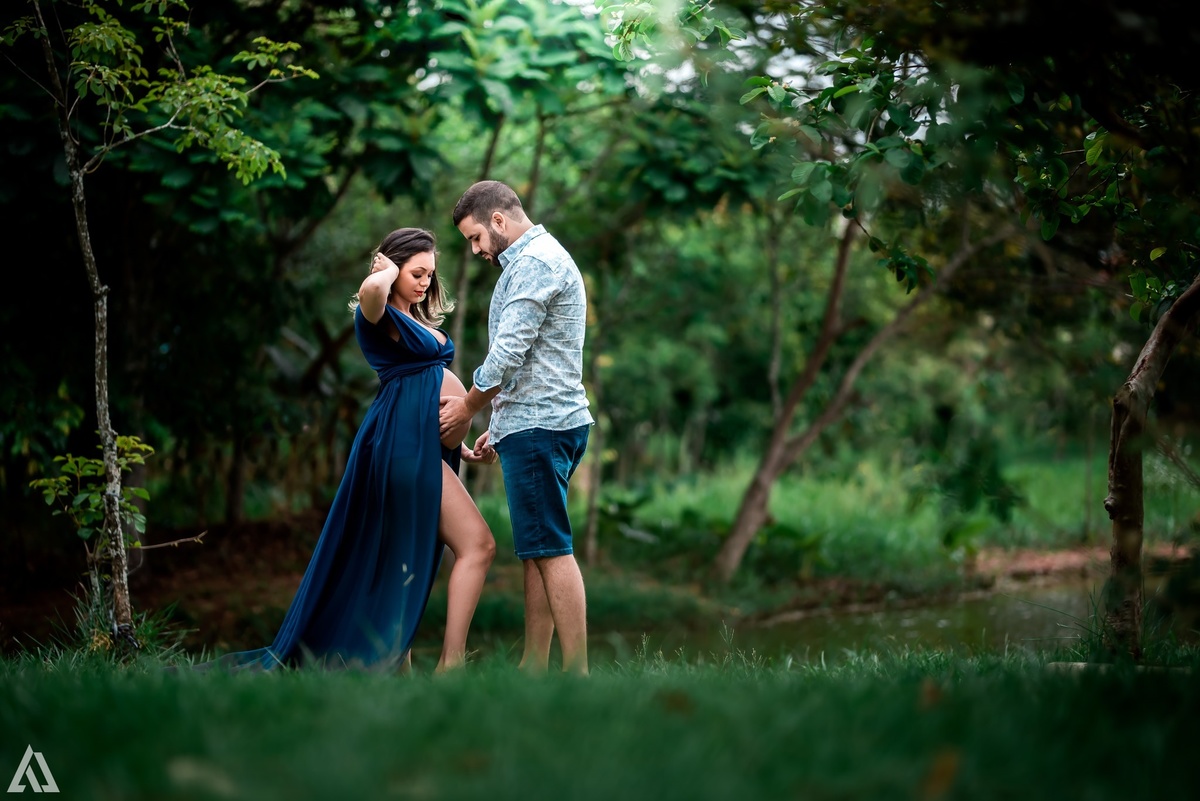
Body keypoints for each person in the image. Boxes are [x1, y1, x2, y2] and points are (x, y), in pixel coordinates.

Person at [200, 227, 496, 672]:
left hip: (417, 444)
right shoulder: (376, 316)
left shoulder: (414, 321)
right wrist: (386, 269)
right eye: (416, 273)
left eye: (430, 276)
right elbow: (371, 291)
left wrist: (465, 445)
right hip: (402, 444)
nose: (424, 283)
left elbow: (430, 391)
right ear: (393, 268)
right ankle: (451, 666)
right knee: (478, 544)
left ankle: (400, 668)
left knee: (405, 558)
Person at [438, 181, 595, 675]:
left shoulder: (534, 264)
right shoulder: (539, 259)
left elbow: (508, 354)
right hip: (540, 422)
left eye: (475, 238)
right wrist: (500, 423)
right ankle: (533, 665)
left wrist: (467, 409)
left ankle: (577, 673)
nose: (476, 249)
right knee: (537, 549)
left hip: (542, 427)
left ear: (499, 221)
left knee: (550, 548)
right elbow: (531, 360)